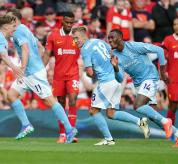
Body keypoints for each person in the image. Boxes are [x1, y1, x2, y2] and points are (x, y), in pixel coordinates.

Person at [4, 8, 77, 143]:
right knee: (11, 95)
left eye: (8, 18)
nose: (6, 21)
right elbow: (40, 46)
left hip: (32, 72)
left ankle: (69, 129)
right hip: (31, 71)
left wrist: (24, 67)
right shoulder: (25, 28)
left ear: (14, 19)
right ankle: (26, 125)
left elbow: (25, 49)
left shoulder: (18, 31)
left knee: (49, 100)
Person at [71, 26, 150, 146]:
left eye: (77, 38)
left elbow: (90, 73)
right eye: (74, 38)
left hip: (106, 82)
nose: (75, 41)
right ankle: (140, 122)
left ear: (83, 35)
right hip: (117, 79)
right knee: (111, 113)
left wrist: (83, 69)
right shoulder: (99, 41)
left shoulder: (85, 49)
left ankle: (109, 139)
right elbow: (113, 54)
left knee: (93, 110)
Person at [108, 28, 178, 147]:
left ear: (120, 38)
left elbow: (159, 50)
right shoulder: (115, 56)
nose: (110, 40)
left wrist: (162, 71)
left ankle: (167, 121)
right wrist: (115, 68)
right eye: (108, 38)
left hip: (150, 77)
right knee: (154, 117)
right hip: (138, 84)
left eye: (112, 37)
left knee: (138, 105)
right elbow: (120, 78)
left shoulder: (134, 46)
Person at [43, 12, 80, 143]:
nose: (69, 25)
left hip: (73, 73)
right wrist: (42, 70)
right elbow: (47, 53)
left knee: (73, 100)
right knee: (61, 103)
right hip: (58, 75)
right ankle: (63, 134)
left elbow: (86, 49)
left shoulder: (77, 36)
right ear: (62, 22)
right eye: (67, 22)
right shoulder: (53, 35)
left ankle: (71, 132)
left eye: (71, 22)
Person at [162, 17, 178, 126]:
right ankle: (170, 131)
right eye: (175, 24)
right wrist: (163, 73)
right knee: (173, 105)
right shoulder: (168, 40)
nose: (177, 26)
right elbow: (162, 58)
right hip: (173, 79)